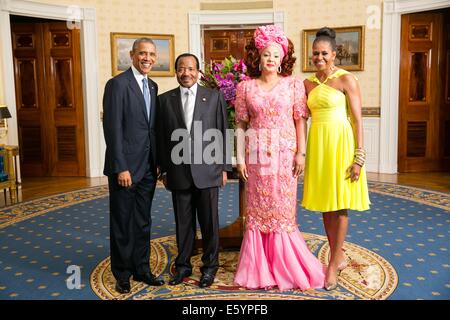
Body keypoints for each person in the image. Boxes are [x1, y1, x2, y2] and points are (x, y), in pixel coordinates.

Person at [234, 25, 325, 290]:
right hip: (257, 156)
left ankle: (285, 267)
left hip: (285, 157)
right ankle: (259, 268)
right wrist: (239, 158)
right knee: (257, 209)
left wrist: (301, 153)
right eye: (266, 55)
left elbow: (300, 121)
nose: (271, 59)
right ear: (258, 58)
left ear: (282, 58)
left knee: (282, 209)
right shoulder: (245, 87)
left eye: (276, 55)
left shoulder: (293, 85)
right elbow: (240, 125)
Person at [302, 27, 371, 291]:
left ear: (334, 54)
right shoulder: (307, 83)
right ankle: (338, 253)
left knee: (340, 205)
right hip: (319, 145)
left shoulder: (347, 80)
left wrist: (359, 156)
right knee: (325, 203)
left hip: (342, 145)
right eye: (315, 53)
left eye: (324, 53)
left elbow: (357, 119)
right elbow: (300, 118)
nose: (319, 57)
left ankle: (332, 263)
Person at [157, 53, 232, 288]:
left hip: (208, 170)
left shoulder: (213, 97)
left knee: (210, 223)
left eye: (190, 69)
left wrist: (224, 167)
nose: (186, 73)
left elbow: (223, 131)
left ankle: (210, 268)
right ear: (176, 72)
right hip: (178, 172)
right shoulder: (164, 100)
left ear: (198, 72)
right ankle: (183, 266)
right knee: (183, 223)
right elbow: (160, 138)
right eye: (181, 69)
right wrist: (163, 170)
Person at [103, 38, 164, 294]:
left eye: (151, 54)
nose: (147, 58)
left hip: (148, 168)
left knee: (142, 221)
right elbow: (113, 128)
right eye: (142, 53)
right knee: (122, 222)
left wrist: (158, 163)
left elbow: (151, 129)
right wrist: (121, 167)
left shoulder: (152, 85)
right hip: (125, 168)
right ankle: (123, 273)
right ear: (132, 55)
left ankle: (142, 268)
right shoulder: (117, 84)